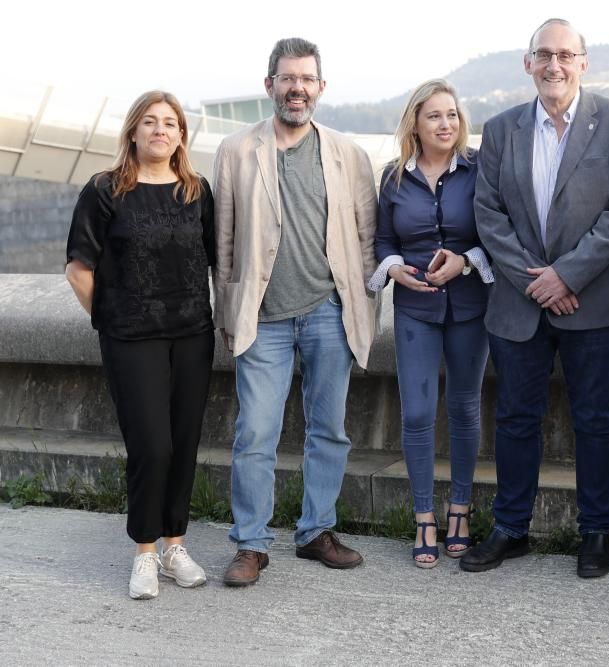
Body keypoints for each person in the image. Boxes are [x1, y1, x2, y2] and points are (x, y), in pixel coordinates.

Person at [462, 18, 609, 579]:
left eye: (566, 55)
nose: (554, 65)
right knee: (516, 418)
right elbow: (487, 214)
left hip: (595, 301)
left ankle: (596, 531)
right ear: (528, 63)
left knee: (595, 419)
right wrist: (535, 281)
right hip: (519, 305)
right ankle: (511, 528)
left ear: (584, 62)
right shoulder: (499, 129)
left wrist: (566, 277)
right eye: (544, 54)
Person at [213, 37, 378, 586]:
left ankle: (315, 532)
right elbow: (225, 242)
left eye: (307, 79)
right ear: (270, 85)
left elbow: (366, 237)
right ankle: (251, 544)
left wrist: (364, 306)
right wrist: (230, 311)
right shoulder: (237, 151)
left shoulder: (347, 153)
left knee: (329, 430)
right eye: (287, 78)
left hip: (329, 311)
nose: (297, 88)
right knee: (256, 433)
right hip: (263, 319)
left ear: (321, 87)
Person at [65, 90, 215, 600]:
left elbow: (216, 259)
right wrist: (111, 319)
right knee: (151, 446)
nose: (160, 130)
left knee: (184, 444)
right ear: (132, 131)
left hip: (193, 334)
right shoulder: (105, 191)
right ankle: (145, 553)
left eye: (170, 123)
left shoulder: (197, 191)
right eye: (149, 122)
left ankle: (176, 545)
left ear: (181, 136)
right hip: (131, 339)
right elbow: (78, 268)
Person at [368, 79, 493, 568]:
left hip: (469, 308)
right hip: (415, 309)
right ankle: (424, 515)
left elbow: (496, 235)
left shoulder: (481, 172)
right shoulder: (393, 178)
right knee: (417, 413)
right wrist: (394, 267)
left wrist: (464, 261)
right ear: (415, 125)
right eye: (434, 116)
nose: (446, 124)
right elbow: (382, 240)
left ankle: (459, 509)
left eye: (452, 115)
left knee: (464, 407)